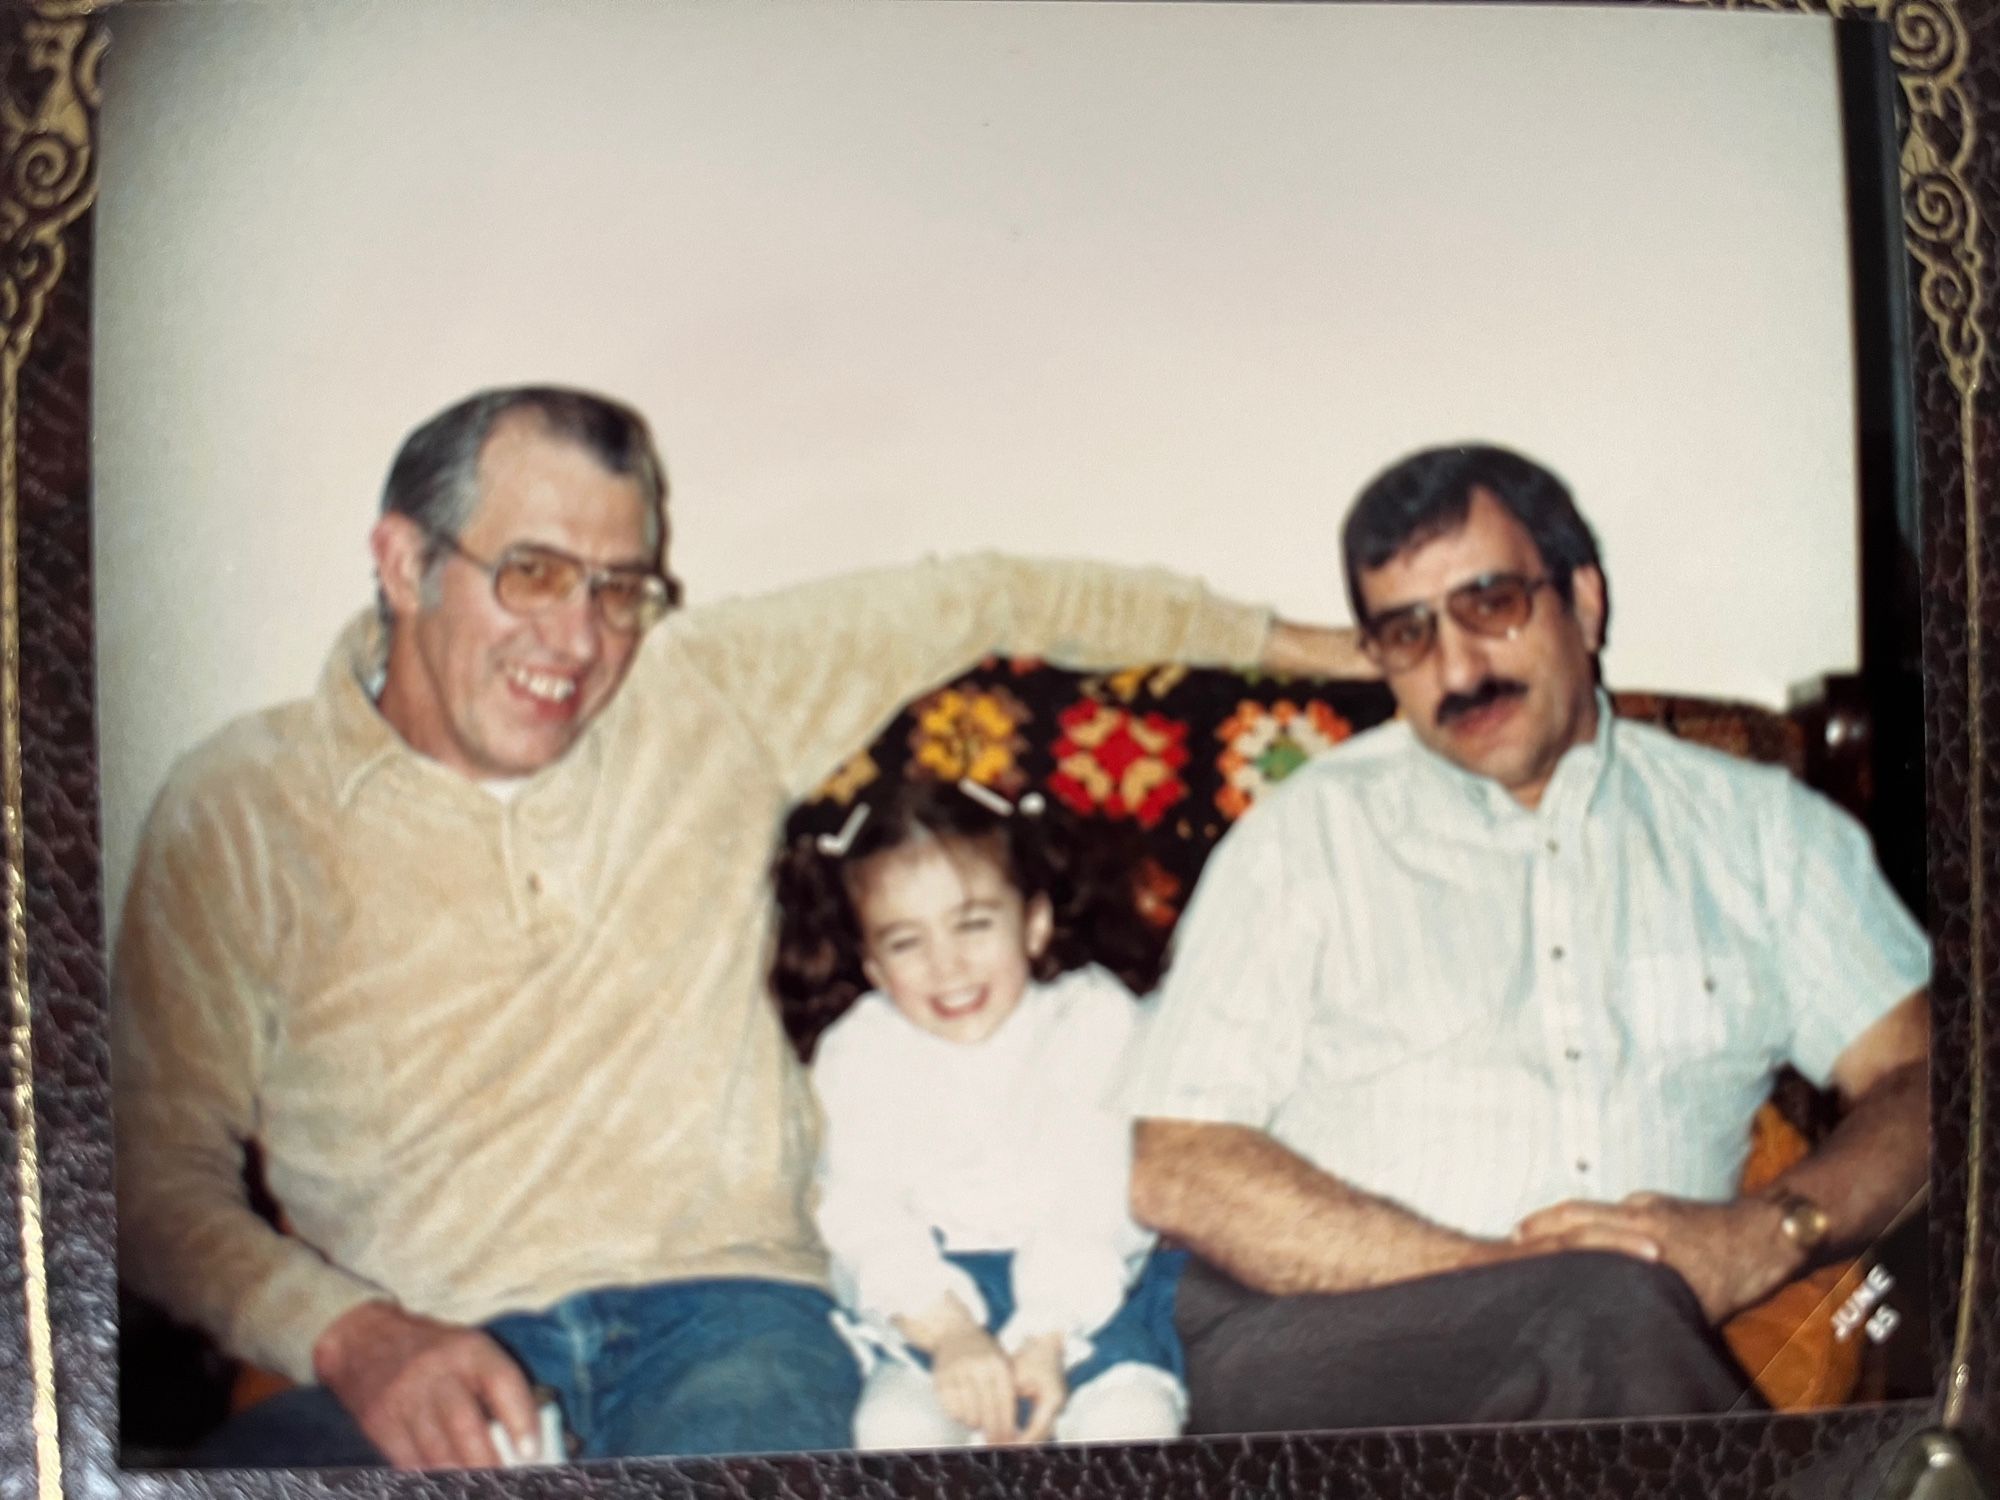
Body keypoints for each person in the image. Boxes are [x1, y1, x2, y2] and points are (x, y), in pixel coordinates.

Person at [112, 384, 1367, 1469]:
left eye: (620, 588)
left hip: (732, 1321)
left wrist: (1337, 653)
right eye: (533, 572)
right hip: (420, 1342)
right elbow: (147, 1175)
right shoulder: (239, 807)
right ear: (401, 561)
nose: (579, 640)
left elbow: (992, 596)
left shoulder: (698, 692)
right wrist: (353, 1337)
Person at [1125, 443, 1931, 1434]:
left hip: (1626, 1361)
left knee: (1605, 1328)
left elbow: (1926, 1083)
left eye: (1489, 604)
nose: (1457, 669)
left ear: (1581, 603)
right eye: (1408, 634)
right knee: (1598, 1312)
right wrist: (1511, 1279)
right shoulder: (1299, 840)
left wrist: (1764, 1234)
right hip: (1314, 1349)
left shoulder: (1760, 832)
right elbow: (1178, 1165)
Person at [771, 779, 1187, 1450]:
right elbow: (860, 1208)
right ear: (873, 964)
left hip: (1085, 1293)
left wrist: (1047, 1333)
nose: (948, 966)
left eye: (973, 925)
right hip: (930, 1302)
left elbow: (1100, 1195)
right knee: (893, 1431)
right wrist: (950, 1333)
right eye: (906, 943)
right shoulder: (860, 1048)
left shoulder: (1093, 1018)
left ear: (1034, 923)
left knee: (1132, 1429)